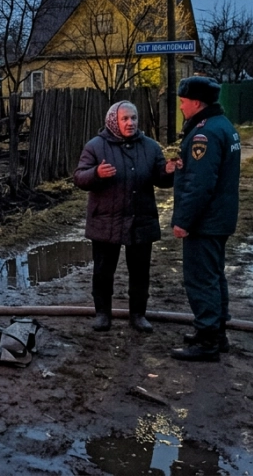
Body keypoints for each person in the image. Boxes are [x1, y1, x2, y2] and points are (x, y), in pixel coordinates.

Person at [74, 101, 175, 333]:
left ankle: (138, 315)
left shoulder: (150, 147)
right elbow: (79, 178)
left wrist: (168, 172)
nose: (130, 123)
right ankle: (102, 315)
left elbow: (160, 178)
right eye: (125, 119)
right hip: (106, 220)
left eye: (134, 118)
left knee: (140, 272)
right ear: (113, 121)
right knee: (102, 271)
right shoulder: (96, 146)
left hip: (141, 219)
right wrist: (96, 173)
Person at [169, 76, 240, 362]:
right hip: (219, 217)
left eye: (183, 102)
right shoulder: (224, 126)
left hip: (206, 221)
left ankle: (207, 339)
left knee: (201, 279)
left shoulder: (204, 134)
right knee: (214, 275)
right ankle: (215, 332)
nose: (182, 107)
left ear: (197, 102)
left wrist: (183, 220)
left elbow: (200, 184)